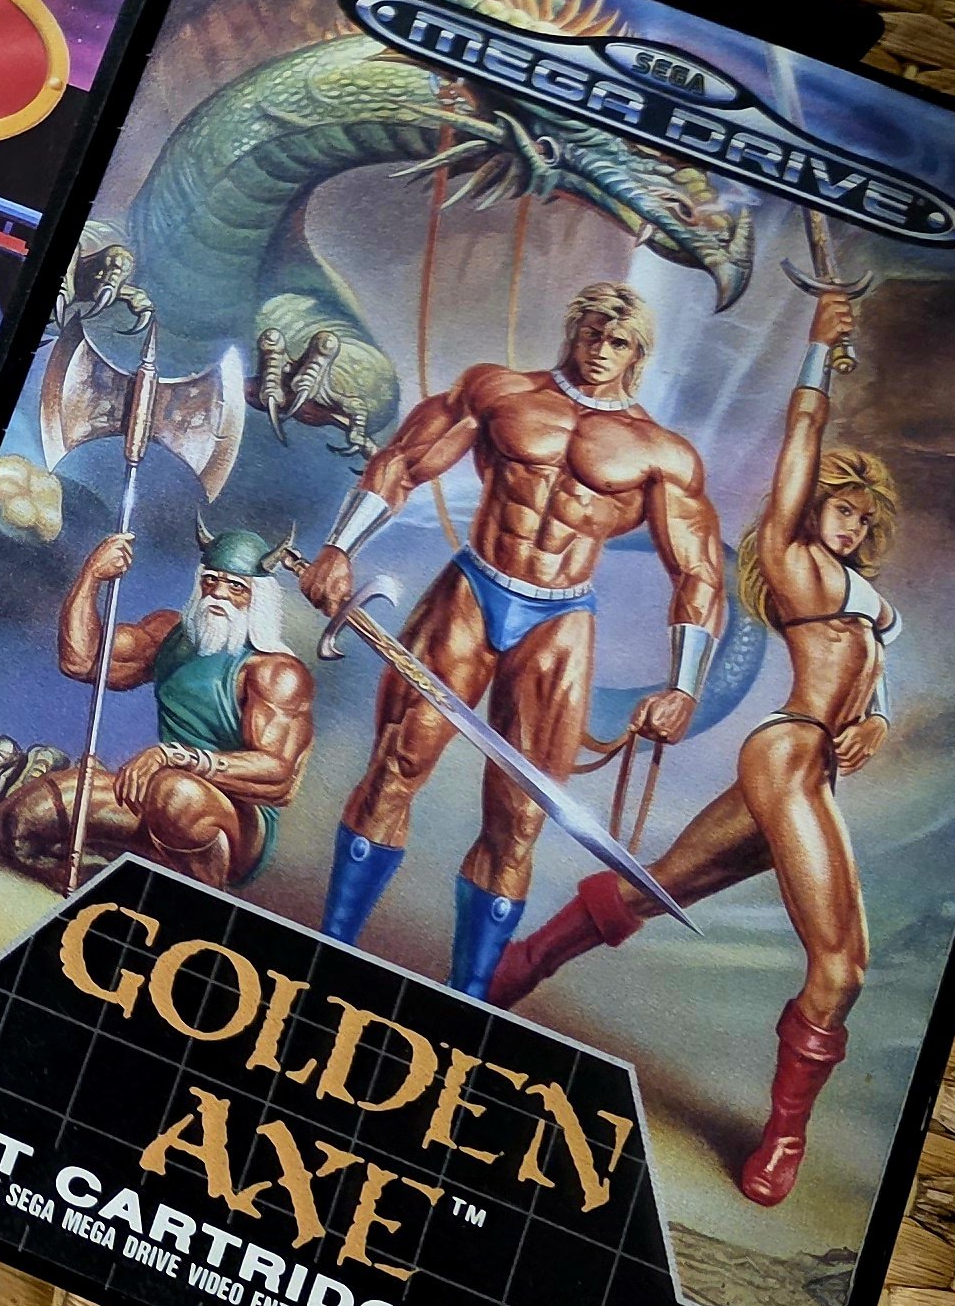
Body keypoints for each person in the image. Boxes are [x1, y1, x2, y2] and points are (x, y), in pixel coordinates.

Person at [489, 285, 889, 1206]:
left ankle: (522, 964)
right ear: (812, 510)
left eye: (865, 520)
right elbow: (800, 444)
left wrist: (877, 719)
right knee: (841, 966)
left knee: (659, 886)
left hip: (809, 765)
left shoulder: (866, 601)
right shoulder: (795, 560)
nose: (851, 526)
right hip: (788, 754)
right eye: (840, 509)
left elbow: (873, 675)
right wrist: (817, 352)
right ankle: (784, 1139)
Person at [295, 281, 722, 993]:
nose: (600, 351)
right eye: (592, 333)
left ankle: (467, 1001)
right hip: (474, 590)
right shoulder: (499, 392)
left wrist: (683, 685)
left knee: (520, 820)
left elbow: (699, 572)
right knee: (398, 764)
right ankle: (328, 953)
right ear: (574, 331)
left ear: (637, 354)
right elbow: (403, 461)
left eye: (617, 342)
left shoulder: (661, 454)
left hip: (558, 620)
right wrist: (340, 546)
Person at [0, 527, 311, 886]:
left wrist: (176, 757)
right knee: (19, 823)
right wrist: (91, 576)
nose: (218, 593)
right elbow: (80, 661)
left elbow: (278, 776)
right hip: (157, 791)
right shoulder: (170, 636)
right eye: (210, 580)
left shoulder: (277, 673)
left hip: (234, 822)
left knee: (177, 792)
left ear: (259, 597)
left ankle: (192, 892)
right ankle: (128, 864)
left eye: (236, 586)